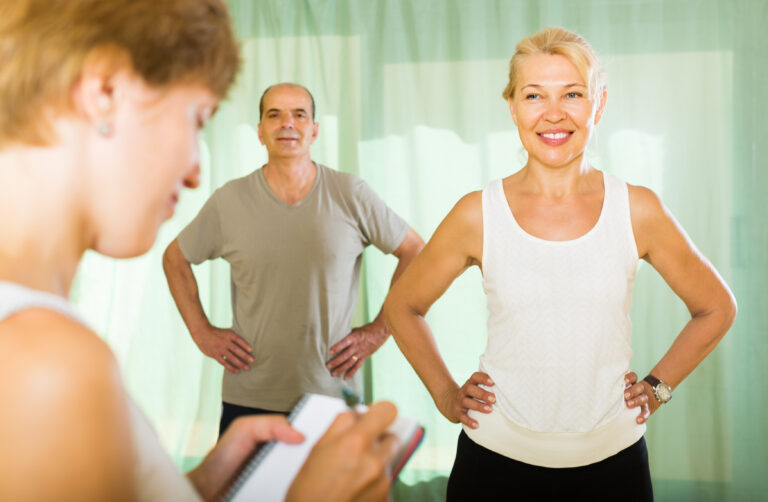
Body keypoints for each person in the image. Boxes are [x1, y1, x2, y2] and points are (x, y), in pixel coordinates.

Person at [0, 1, 400, 501]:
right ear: (104, 92)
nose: (193, 167)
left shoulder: (34, 336)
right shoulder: (49, 363)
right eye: (195, 118)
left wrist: (201, 483)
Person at [383, 26, 737, 501]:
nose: (554, 113)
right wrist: (447, 396)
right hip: (493, 466)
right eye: (534, 95)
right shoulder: (476, 213)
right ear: (513, 107)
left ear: (599, 105)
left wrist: (658, 388)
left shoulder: (638, 209)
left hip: (614, 468)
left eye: (572, 94)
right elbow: (402, 306)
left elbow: (717, 306)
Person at [163, 82, 424, 435]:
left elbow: (414, 251)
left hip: (332, 395)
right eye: (275, 115)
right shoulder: (229, 201)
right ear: (260, 133)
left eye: (299, 114)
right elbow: (175, 260)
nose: (287, 123)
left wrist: (379, 331)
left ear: (314, 130)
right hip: (249, 397)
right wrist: (201, 332)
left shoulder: (350, 193)